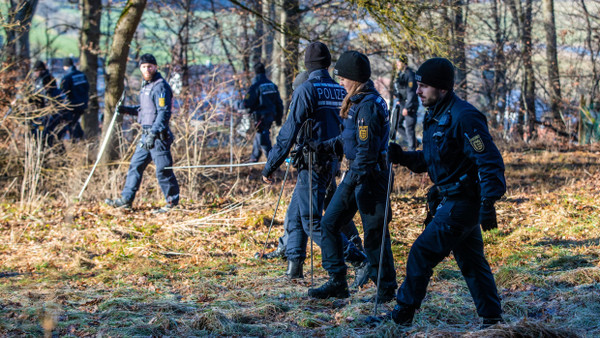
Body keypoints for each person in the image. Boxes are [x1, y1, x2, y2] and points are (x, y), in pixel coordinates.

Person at [385, 57, 506, 328]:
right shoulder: (436, 115)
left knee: (420, 253)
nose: (417, 91)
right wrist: (403, 157)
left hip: (462, 202)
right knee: (472, 262)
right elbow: (435, 159)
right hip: (450, 198)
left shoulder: (464, 117)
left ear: (442, 88)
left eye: (424, 86)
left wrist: (488, 201)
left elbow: (488, 160)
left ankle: (401, 315)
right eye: (417, 85)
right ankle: (492, 319)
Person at [262, 42, 368, 283]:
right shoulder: (340, 90)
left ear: (307, 66)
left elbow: (288, 131)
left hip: (312, 161)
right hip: (332, 161)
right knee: (298, 211)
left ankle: (358, 259)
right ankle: (294, 267)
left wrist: (271, 164)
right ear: (328, 64)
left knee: (311, 220)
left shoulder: (306, 89)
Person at [308, 51, 397, 302]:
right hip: (356, 173)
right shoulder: (358, 101)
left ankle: (386, 290)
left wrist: (355, 181)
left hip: (370, 177)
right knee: (330, 223)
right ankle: (337, 280)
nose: (340, 83)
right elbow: (350, 141)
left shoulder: (368, 106)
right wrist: (322, 146)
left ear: (355, 79)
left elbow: (367, 152)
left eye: (343, 78)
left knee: (375, 236)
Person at [105, 53, 180, 214]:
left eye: (150, 66)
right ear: (140, 68)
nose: (147, 69)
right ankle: (126, 200)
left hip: (158, 136)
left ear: (156, 67)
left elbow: (163, 113)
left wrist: (153, 133)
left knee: (163, 169)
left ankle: (172, 203)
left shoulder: (160, 86)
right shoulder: (146, 86)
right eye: (144, 67)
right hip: (146, 135)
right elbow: (144, 111)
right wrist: (126, 110)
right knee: (135, 165)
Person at [243, 62, 284, 162]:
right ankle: (254, 158)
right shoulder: (272, 86)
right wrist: (279, 118)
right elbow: (279, 103)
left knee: (263, 139)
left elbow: (247, 102)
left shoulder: (256, 86)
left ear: (255, 72)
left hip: (260, 117)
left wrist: (248, 110)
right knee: (260, 135)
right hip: (271, 116)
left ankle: (272, 161)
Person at [30, 60, 63, 146]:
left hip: (47, 113)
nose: (36, 73)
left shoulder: (47, 79)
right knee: (37, 134)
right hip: (39, 112)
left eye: (37, 71)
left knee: (48, 135)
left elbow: (50, 96)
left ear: (41, 70)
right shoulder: (36, 80)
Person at [391, 55, 419, 150]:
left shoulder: (410, 75)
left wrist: (407, 107)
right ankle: (414, 142)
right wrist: (398, 99)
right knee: (397, 124)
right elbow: (398, 89)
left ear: (404, 63)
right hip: (402, 104)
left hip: (410, 105)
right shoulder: (400, 74)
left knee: (409, 128)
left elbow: (411, 93)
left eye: (399, 62)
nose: (397, 64)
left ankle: (412, 150)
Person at [60, 57, 89, 140]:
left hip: (72, 105)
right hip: (83, 104)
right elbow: (87, 88)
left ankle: (76, 141)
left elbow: (62, 93)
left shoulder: (67, 77)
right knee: (75, 122)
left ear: (65, 66)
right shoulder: (82, 75)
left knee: (71, 123)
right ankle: (81, 139)